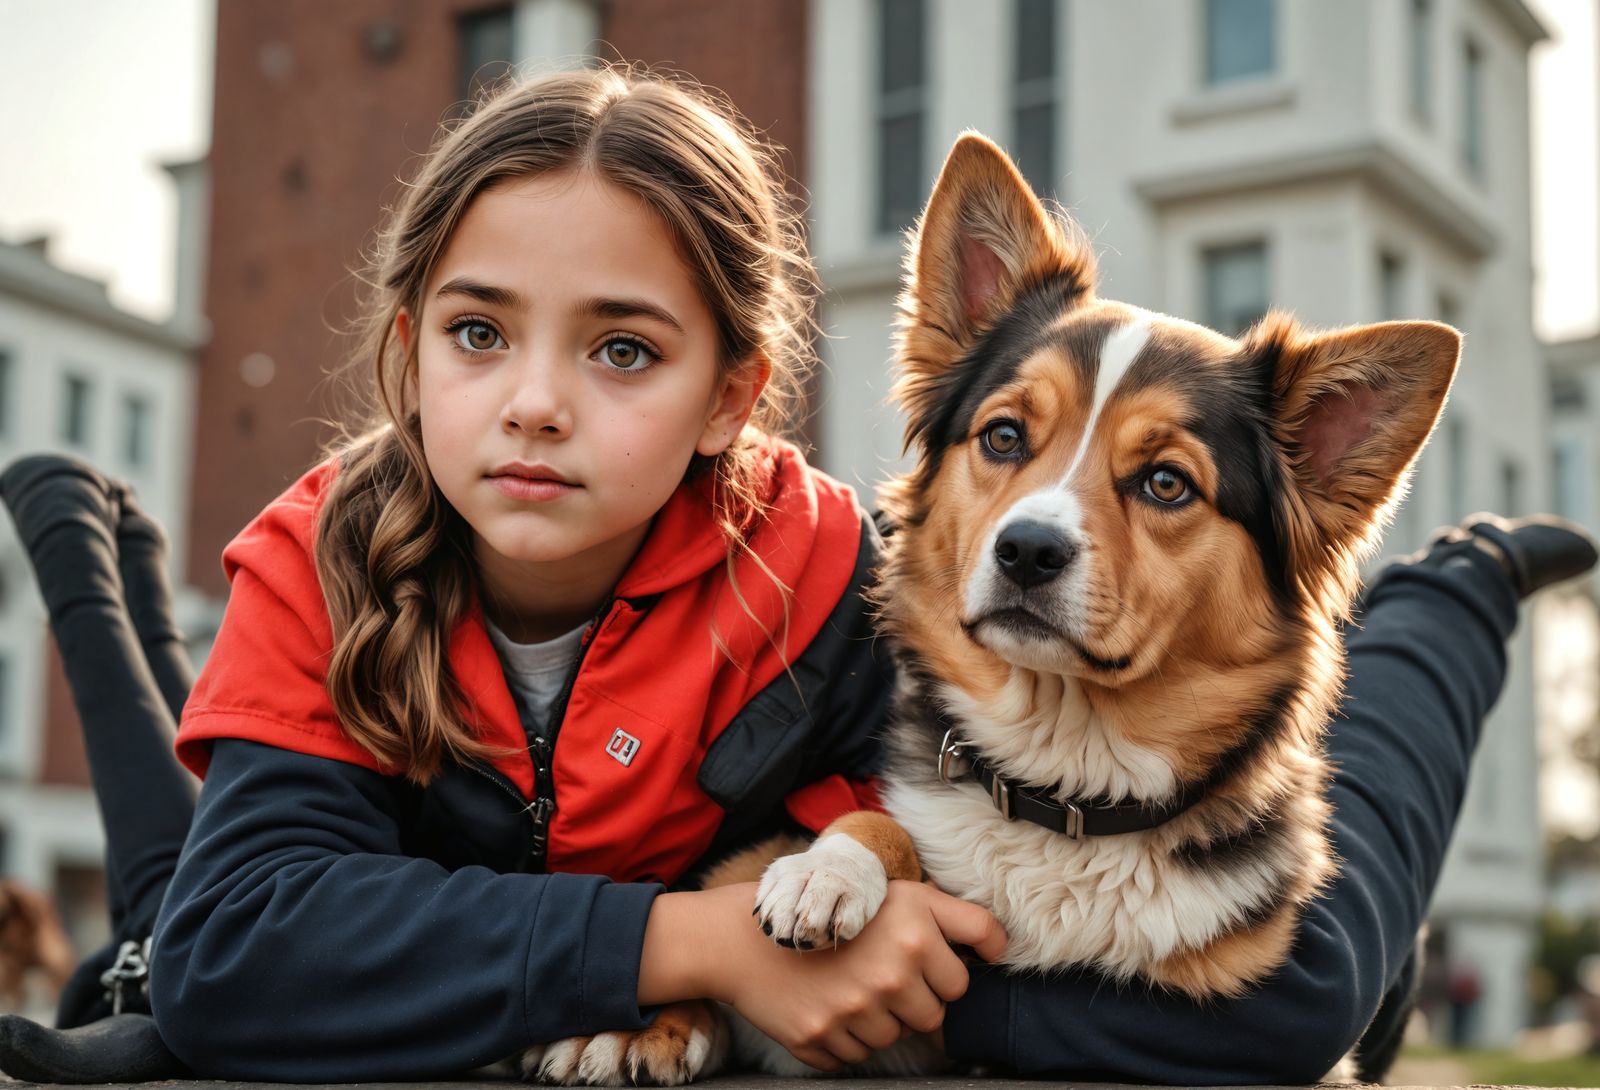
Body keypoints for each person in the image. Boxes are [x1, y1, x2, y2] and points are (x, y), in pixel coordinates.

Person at [0, 63, 1595, 1085]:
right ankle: (91, 565)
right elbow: (239, 949)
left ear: (736, 397)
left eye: (623, 349)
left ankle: (1438, 609)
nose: (536, 400)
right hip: (396, 913)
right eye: (480, 333)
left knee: (1311, 990)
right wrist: (695, 949)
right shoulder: (325, 553)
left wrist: (825, 960)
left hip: (1195, 814)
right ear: (410, 351)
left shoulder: (825, 576)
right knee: (167, 923)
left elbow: (1219, 980)